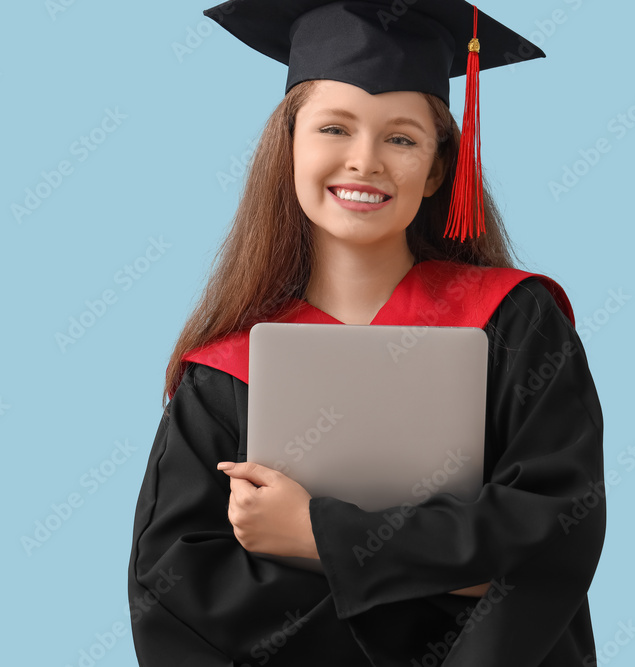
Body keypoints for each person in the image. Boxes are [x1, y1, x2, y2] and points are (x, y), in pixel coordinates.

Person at [127, 1, 606, 665]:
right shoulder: (221, 376)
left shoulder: (517, 325)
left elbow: (554, 535)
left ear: (439, 168)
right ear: (289, 143)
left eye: (402, 138)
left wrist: (316, 534)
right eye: (334, 127)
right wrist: (453, 568)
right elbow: (176, 591)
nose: (364, 160)